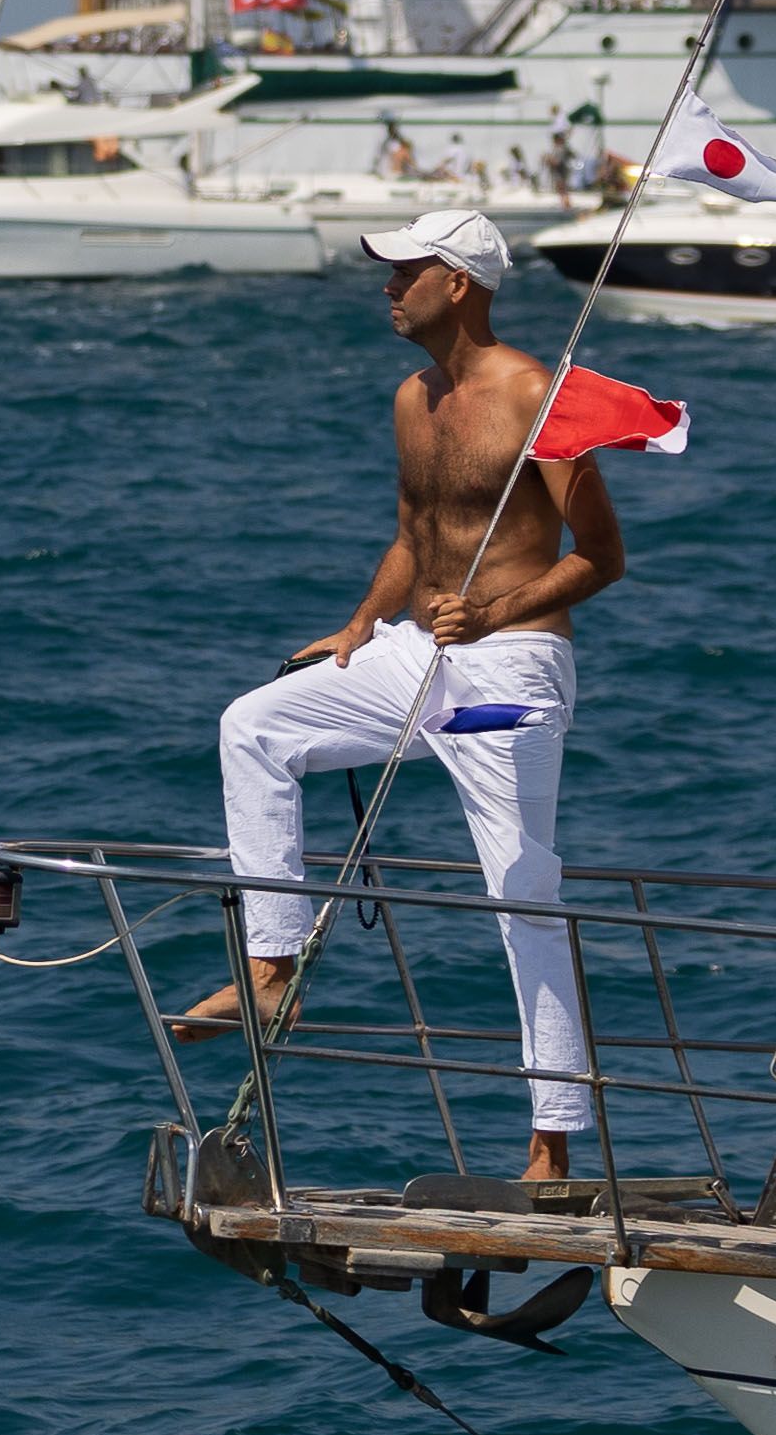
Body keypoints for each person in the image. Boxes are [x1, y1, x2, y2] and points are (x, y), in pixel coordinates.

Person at [180, 207, 622, 1185]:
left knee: (522, 892)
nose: (386, 288)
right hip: (415, 651)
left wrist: (495, 609)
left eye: (404, 272)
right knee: (253, 726)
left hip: (512, 667)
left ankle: (551, 1144)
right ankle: (270, 973)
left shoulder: (537, 397)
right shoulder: (411, 399)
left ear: (457, 284)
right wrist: (357, 627)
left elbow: (602, 555)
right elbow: (413, 536)